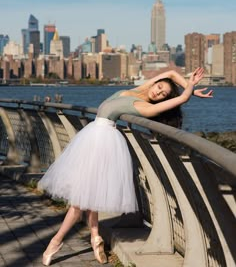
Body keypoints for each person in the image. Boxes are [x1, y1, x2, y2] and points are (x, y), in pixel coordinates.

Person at [38, 67, 213, 266]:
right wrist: (189, 85)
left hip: (103, 143)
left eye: (162, 94)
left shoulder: (144, 106)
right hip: (92, 137)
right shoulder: (139, 90)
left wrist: (189, 91)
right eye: (159, 87)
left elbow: (180, 100)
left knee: (79, 201)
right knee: (88, 193)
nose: (158, 92)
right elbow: (171, 74)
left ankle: (55, 242)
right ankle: (96, 238)